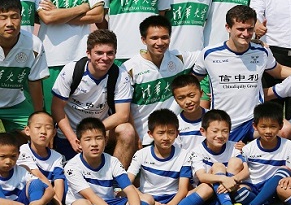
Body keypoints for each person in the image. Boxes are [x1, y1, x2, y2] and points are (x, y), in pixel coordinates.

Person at [192, 5, 291, 143]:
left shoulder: (261, 52)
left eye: (250, 29)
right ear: (228, 27)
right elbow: (192, 81)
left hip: (252, 122)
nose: (246, 34)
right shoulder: (209, 54)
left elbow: (279, 71)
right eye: (240, 29)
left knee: (285, 129)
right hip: (223, 123)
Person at [35, 0, 104, 113]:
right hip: (51, 59)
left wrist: (59, 14)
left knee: (81, 112)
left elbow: (98, 15)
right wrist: (83, 7)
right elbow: (48, 18)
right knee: (52, 113)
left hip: (82, 58)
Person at [51, 29, 136, 166]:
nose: (105, 58)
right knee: (71, 176)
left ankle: (117, 177)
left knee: (127, 131)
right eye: (99, 53)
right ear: (88, 53)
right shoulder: (72, 70)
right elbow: (57, 108)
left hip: (101, 132)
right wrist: (73, 138)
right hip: (71, 135)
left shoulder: (120, 75)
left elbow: (123, 115)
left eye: (110, 53)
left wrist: (92, 133)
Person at [64, 118, 152, 205]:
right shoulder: (72, 166)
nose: (94, 144)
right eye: (88, 139)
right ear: (79, 143)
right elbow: (92, 197)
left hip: (110, 203)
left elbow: (129, 189)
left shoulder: (113, 161)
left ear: (105, 140)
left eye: (98, 138)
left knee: (148, 199)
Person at [123, 15, 200, 144]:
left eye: (164, 37)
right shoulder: (129, 69)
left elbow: (207, 55)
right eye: (154, 38)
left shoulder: (178, 58)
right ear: (143, 40)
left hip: (174, 136)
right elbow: (126, 109)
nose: (160, 43)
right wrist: (136, 139)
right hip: (143, 139)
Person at [127, 109, 197, 205]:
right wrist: (147, 199)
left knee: (205, 189)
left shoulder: (184, 155)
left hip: (172, 197)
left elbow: (183, 189)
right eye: (161, 133)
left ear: (177, 134)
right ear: (150, 134)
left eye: (171, 133)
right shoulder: (141, 154)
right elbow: (127, 182)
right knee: (125, 194)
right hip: (148, 198)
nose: (166, 138)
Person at [237, 102, 291, 205]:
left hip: (275, 188)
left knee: (284, 170)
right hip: (254, 187)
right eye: (263, 127)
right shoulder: (248, 148)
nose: (268, 131)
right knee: (239, 193)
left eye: (273, 126)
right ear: (255, 126)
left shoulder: (289, 146)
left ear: (280, 126)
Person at [187, 109, 245, 205]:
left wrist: (232, 180)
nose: (220, 135)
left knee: (243, 187)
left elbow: (246, 170)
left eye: (225, 131)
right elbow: (202, 177)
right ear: (203, 131)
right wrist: (224, 179)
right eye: (215, 131)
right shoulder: (197, 152)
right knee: (218, 167)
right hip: (205, 191)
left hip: (229, 187)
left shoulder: (234, 147)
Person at [0, 0, 48, 130]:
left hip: (15, 105)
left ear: (21, 18)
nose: (9, 23)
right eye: (3, 18)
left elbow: (34, 83)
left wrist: (38, 117)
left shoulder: (34, 44)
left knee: (40, 132)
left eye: (14, 17)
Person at [18, 111, 65, 205]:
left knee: (66, 182)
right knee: (37, 183)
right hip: (27, 197)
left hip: (49, 198)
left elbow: (58, 182)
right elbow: (39, 176)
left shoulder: (57, 156)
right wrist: (59, 204)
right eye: (38, 127)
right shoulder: (23, 150)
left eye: (48, 128)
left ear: (54, 132)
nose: (43, 131)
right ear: (27, 130)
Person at [0, 133, 54, 205]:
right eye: (2, 156)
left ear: (18, 154)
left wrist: (40, 202)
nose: (8, 161)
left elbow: (50, 191)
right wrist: (10, 204)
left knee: (36, 183)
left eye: (13, 156)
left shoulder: (21, 171)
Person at [170, 74, 205, 152]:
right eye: (181, 98)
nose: (188, 101)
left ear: (201, 93)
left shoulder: (214, 119)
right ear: (175, 100)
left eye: (191, 96)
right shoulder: (175, 125)